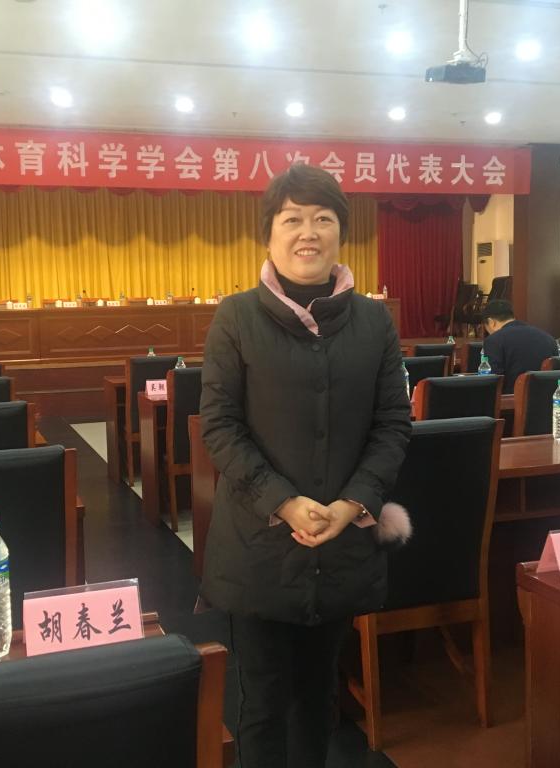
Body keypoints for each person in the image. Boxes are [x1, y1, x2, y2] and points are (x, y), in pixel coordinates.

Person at [199, 164, 412, 768]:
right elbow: (220, 427)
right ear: (269, 233)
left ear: (341, 231)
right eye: (291, 219)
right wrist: (285, 502)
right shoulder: (236, 318)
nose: (308, 232)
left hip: (341, 544)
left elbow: (392, 424)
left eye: (322, 218)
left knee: (319, 699)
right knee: (263, 703)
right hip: (260, 547)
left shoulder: (374, 321)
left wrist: (353, 503)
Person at [480, 299, 559, 393]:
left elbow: (492, 381)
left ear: (491, 322)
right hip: (546, 398)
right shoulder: (548, 338)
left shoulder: (493, 341)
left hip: (510, 399)